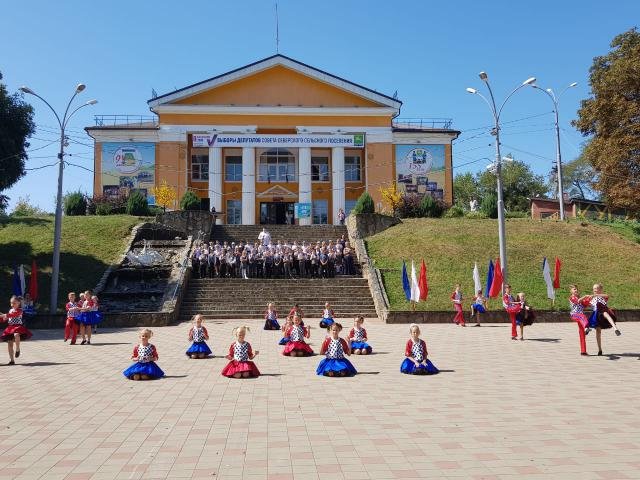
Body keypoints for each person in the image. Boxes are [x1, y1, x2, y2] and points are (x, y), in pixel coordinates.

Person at [585, 283, 621, 356]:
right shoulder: (591, 298)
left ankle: (616, 329)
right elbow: (587, 304)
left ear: (600, 290)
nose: (594, 290)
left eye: (596, 288)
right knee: (598, 332)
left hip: (602, 312)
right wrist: (586, 300)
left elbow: (607, 295)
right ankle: (600, 350)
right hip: (596, 315)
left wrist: (596, 295)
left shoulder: (602, 297)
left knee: (606, 314)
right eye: (593, 289)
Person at [0, 296, 32, 365]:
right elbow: (5, 319)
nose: (12, 304)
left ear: (18, 303)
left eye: (14, 303)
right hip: (10, 328)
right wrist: (2, 317)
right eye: (11, 303)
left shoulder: (20, 310)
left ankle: (18, 349)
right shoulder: (10, 310)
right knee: (10, 344)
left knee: (16, 334)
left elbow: (14, 314)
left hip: (18, 327)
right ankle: (12, 360)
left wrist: (5, 315)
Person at [569, 285, 591, 356]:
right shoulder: (572, 297)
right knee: (583, 316)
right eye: (574, 289)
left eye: (576, 289)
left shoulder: (580, 298)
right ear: (571, 291)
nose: (576, 290)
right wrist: (584, 297)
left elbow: (585, 304)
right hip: (575, 315)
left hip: (580, 318)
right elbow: (577, 301)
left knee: (582, 334)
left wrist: (589, 299)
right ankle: (587, 327)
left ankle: (583, 351)